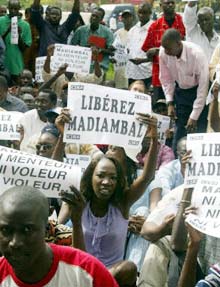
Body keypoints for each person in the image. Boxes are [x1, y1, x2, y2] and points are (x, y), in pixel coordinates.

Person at [60, 113, 158, 287]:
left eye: (112, 178)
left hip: (113, 278)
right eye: (101, 176)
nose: (107, 182)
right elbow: (56, 170)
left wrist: (154, 137)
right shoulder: (80, 203)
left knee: (128, 268)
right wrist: (63, 133)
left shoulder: (122, 203)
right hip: (81, 273)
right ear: (90, 178)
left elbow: (147, 176)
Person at [0, 186, 119, 287]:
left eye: (27, 230)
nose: (14, 243)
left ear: (47, 229)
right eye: (5, 230)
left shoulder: (88, 271)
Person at [159, 28, 209, 152]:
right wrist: (169, 102)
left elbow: (203, 88)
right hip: (180, 93)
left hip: (199, 95)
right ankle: (177, 165)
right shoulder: (163, 52)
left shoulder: (197, 55)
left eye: (169, 49)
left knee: (198, 137)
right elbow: (166, 79)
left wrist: (194, 116)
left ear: (179, 44)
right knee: (179, 137)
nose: (166, 51)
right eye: (164, 48)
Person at [141, 0, 185, 105]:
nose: (170, 5)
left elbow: (187, 45)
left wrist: (158, 50)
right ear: (161, 6)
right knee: (160, 109)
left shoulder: (183, 22)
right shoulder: (154, 26)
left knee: (181, 109)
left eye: (172, 2)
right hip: (160, 75)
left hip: (181, 74)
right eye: (167, 3)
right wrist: (152, 53)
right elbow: (147, 49)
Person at [71, 8, 114, 75]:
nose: (93, 18)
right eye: (93, 15)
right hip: (82, 67)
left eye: (97, 17)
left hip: (100, 68)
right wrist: (85, 49)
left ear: (101, 19)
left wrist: (99, 50)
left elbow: (112, 52)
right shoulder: (80, 30)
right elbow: (71, 47)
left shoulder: (108, 33)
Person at [0, 0, 32, 84]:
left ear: (19, 9)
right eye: (11, 9)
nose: (13, 11)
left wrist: (18, 35)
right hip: (2, 65)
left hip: (17, 65)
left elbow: (24, 49)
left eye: (16, 9)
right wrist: (7, 31)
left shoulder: (25, 25)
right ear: (8, 8)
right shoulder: (1, 21)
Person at [19, 89, 57, 153]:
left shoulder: (59, 118)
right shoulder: (27, 117)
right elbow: (23, 144)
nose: (39, 104)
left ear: (53, 104)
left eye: (43, 101)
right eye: (37, 101)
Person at [126, 3, 153, 89]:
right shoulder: (133, 30)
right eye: (140, 12)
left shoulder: (154, 28)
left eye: (144, 12)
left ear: (150, 13)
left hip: (147, 72)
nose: (141, 15)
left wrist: (144, 60)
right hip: (132, 71)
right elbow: (128, 48)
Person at [113, 9, 134, 89]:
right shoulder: (118, 33)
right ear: (122, 19)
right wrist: (112, 58)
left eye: (128, 17)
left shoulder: (136, 31)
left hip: (133, 66)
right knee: (121, 88)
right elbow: (113, 48)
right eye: (124, 17)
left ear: (132, 18)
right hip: (121, 66)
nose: (127, 19)